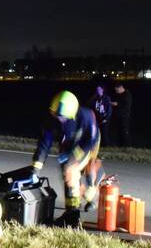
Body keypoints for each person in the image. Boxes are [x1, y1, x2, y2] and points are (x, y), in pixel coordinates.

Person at [31, 91, 101, 227]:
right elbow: (44, 144)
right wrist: (36, 168)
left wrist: (75, 159)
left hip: (87, 141)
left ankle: (87, 198)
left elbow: (90, 140)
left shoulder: (86, 116)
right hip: (68, 143)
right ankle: (72, 213)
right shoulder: (52, 119)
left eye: (62, 117)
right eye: (56, 115)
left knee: (71, 170)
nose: (59, 119)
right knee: (67, 172)